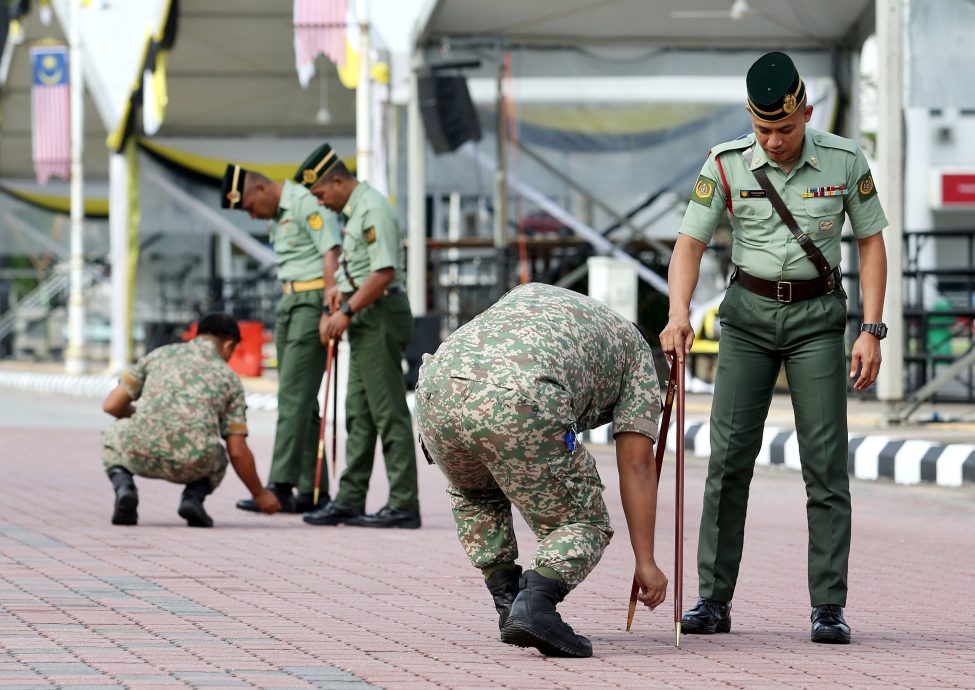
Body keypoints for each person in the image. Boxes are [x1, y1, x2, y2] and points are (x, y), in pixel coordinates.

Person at [659, 52, 888, 645]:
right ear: (750, 120)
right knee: (729, 460)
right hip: (747, 321)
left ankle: (829, 606)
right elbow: (689, 243)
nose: (774, 141)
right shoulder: (727, 163)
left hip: (817, 319)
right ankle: (712, 599)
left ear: (806, 114)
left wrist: (873, 328)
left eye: (784, 129)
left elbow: (871, 243)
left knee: (825, 466)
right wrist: (678, 315)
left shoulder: (843, 158)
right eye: (764, 130)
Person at [415, 283, 668, 658]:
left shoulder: (534, 296)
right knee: (584, 522)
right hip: (519, 394)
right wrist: (646, 561)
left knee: (477, 490)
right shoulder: (636, 354)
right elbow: (637, 463)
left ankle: (508, 603)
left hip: (434, 388)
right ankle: (534, 604)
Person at [295, 144, 420, 529]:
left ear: (337, 180)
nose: (322, 203)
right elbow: (362, 268)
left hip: (378, 315)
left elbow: (383, 273)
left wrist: (347, 310)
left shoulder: (372, 209)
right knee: (359, 415)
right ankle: (350, 497)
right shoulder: (354, 210)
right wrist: (339, 293)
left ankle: (403, 503)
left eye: (320, 195)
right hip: (364, 316)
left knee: (388, 414)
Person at [219, 163, 342, 514]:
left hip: (310, 301)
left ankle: (281, 484)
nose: (253, 216)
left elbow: (330, 251)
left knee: (291, 398)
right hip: (290, 302)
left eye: (249, 208)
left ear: (259, 190)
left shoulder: (304, 202)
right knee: (303, 402)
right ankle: (312, 489)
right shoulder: (279, 214)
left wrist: (327, 308)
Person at [101, 313, 281, 527]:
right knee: (218, 455)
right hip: (193, 462)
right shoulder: (229, 378)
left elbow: (111, 405)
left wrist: (144, 418)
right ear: (228, 345)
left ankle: (124, 487)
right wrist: (259, 494)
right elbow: (237, 450)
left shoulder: (159, 355)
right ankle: (193, 498)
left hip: (139, 451)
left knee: (113, 433)